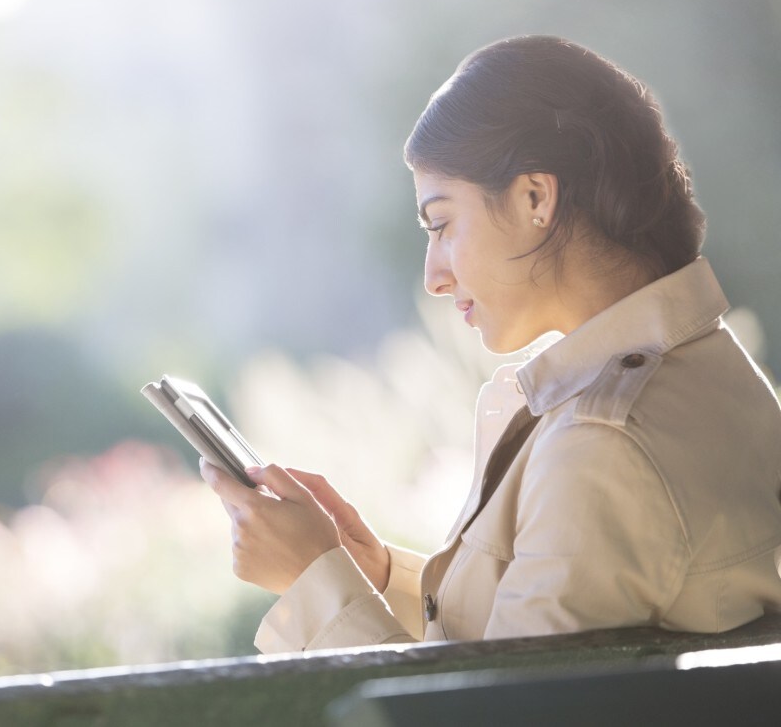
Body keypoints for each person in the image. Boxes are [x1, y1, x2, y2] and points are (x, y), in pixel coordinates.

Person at [201, 35, 781, 652]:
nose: (434, 275)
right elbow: (525, 649)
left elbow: (491, 710)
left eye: (443, 224)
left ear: (536, 197)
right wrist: (371, 575)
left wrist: (312, 580)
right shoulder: (707, 370)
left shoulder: (605, 446)